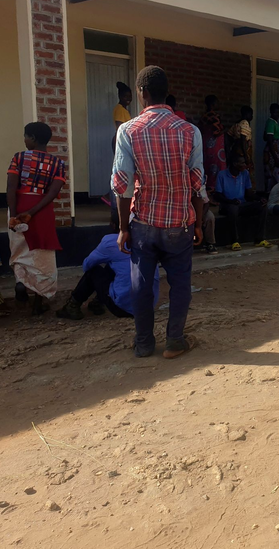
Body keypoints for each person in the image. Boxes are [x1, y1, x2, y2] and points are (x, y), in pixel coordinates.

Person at [112, 65, 204, 359]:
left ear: (142, 93)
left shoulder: (128, 130)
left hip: (144, 223)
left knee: (141, 284)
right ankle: (175, 340)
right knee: (180, 284)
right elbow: (198, 184)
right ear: (166, 93)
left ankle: (143, 343)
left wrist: (123, 227)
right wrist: (198, 223)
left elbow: (122, 185)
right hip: (180, 223)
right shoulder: (190, 131)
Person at [7, 122, 66, 315]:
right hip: (42, 212)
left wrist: (15, 214)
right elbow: (52, 193)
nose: (24, 139)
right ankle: (38, 302)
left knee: (20, 252)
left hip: (18, 207)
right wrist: (32, 212)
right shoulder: (58, 164)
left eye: (25, 136)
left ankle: (20, 285)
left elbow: (11, 188)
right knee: (42, 255)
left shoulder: (18, 158)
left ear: (32, 138)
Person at [57, 233, 160, 320]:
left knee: (94, 271)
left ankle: (72, 306)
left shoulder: (112, 241)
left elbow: (87, 265)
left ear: (113, 224)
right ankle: (97, 303)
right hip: (147, 306)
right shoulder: (148, 240)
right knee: (115, 268)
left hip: (122, 308)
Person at [215, 153, 270, 250]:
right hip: (227, 205)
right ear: (235, 164)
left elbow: (249, 193)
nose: (245, 165)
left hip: (242, 204)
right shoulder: (222, 175)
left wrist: (259, 199)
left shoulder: (245, 174)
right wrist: (230, 201)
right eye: (243, 163)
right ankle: (234, 241)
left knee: (263, 207)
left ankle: (259, 239)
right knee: (233, 209)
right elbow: (218, 195)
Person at [198, 95, 226, 189]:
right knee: (217, 169)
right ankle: (216, 191)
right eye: (217, 102)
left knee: (208, 169)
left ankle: (209, 191)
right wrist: (225, 130)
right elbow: (216, 132)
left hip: (206, 147)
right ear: (213, 104)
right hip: (216, 149)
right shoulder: (214, 116)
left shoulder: (203, 116)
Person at [227, 106, 255, 184]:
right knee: (246, 169)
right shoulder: (245, 123)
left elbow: (229, 135)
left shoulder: (236, 124)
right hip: (243, 151)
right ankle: (247, 189)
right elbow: (243, 138)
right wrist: (246, 155)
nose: (252, 116)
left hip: (236, 150)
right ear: (247, 114)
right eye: (251, 114)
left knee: (238, 169)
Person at [264, 103, 279, 191]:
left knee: (275, 175)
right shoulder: (271, 123)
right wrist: (275, 157)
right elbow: (269, 140)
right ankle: (269, 195)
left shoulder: (275, 123)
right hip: (272, 153)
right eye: (275, 113)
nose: (277, 115)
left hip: (275, 152)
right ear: (271, 112)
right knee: (271, 175)